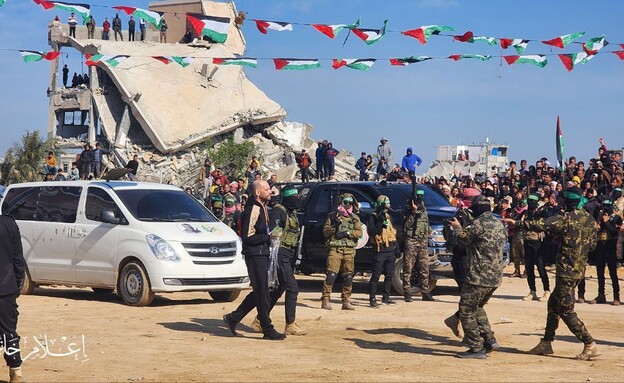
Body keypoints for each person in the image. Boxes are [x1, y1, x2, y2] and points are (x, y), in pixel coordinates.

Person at [513, 187, 600, 361]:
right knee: (553, 304)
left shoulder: (565, 218)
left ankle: (589, 343)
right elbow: (593, 245)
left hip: (567, 270)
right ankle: (546, 342)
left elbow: (542, 225)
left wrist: (516, 223)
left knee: (565, 310)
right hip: (578, 270)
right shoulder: (589, 220)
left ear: (567, 201)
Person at [223, 180, 286, 340]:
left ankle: (234, 318)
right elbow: (248, 236)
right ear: (258, 193)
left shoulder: (262, 208)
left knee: (261, 290)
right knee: (262, 291)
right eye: (266, 189)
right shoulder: (253, 209)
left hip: (262, 253)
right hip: (255, 254)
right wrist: (268, 236)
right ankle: (267, 328)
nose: (270, 192)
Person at [448, 195, 507, 359]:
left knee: (466, 311)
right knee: (478, 307)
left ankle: (476, 348)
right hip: (495, 276)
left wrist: (457, 227)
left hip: (478, 276)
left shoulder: (478, 224)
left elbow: (462, 241)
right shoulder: (499, 223)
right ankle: (489, 340)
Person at [251, 185, 306, 335]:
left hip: (289, 253)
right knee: (292, 287)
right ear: (287, 198)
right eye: (293, 197)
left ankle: (259, 320)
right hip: (279, 254)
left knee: (278, 289)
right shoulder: (278, 211)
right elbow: (272, 232)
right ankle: (290, 324)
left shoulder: (292, 212)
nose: (296, 200)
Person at [321, 193, 363, 310]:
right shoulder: (333, 216)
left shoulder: (354, 218)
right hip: (335, 249)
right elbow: (325, 232)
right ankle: (325, 299)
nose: (347, 205)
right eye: (345, 202)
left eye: (350, 202)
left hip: (349, 250)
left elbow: (360, 233)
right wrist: (335, 225)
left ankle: (346, 300)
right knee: (331, 275)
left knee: (348, 276)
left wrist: (348, 233)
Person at [0, 214, 26, 383]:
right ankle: (16, 372)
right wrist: (16, 286)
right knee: (9, 333)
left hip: (7, 288)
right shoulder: (9, 223)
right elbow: (18, 258)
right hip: (6, 289)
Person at [589, 200, 621, 305]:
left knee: (613, 273)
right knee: (600, 273)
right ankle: (601, 295)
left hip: (610, 248)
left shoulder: (616, 218)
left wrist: (607, 222)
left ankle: (616, 296)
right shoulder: (599, 216)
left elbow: (614, 232)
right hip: (600, 247)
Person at [402, 189, 433, 302]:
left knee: (424, 268)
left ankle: (425, 291)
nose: (420, 199)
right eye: (418, 197)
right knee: (408, 267)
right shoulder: (408, 210)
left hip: (423, 242)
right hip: (412, 241)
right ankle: (407, 291)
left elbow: (427, 226)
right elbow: (407, 226)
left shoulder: (424, 211)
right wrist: (413, 213)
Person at [520, 194, 551, 302]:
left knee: (541, 268)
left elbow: (540, 225)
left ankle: (547, 290)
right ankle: (532, 290)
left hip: (538, 242)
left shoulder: (540, 213)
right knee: (529, 268)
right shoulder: (526, 213)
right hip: (527, 241)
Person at [368, 195, 397, 307]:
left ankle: (386, 297)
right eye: (386, 204)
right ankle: (372, 297)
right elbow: (372, 231)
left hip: (390, 250)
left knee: (389, 275)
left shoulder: (389, 217)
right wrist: (380, 222)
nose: (388, 206)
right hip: (380, 250)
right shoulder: (374, 217)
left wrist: (397, 248)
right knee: (376, 275)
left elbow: (393, 232)